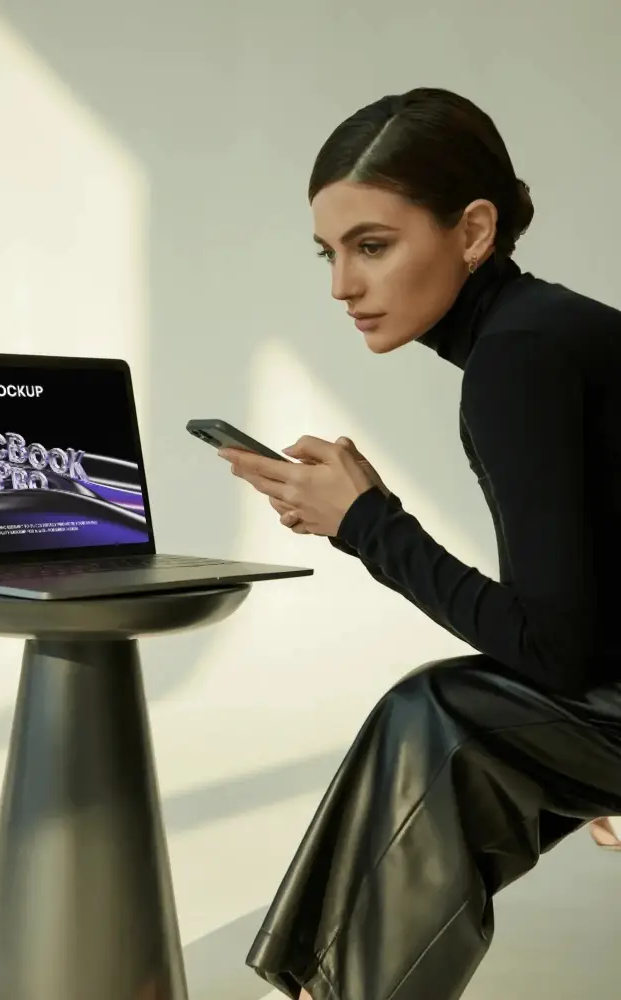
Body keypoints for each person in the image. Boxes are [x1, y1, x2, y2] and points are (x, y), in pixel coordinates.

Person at [218, 87, 621, 1000]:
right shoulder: (545, 331)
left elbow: (558, 651)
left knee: (439, 714)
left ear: (473, 232)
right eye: (329, 253)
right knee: (457, 712)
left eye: (372, 246)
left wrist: (367, 525)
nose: (341, 286)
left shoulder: (520, 359)